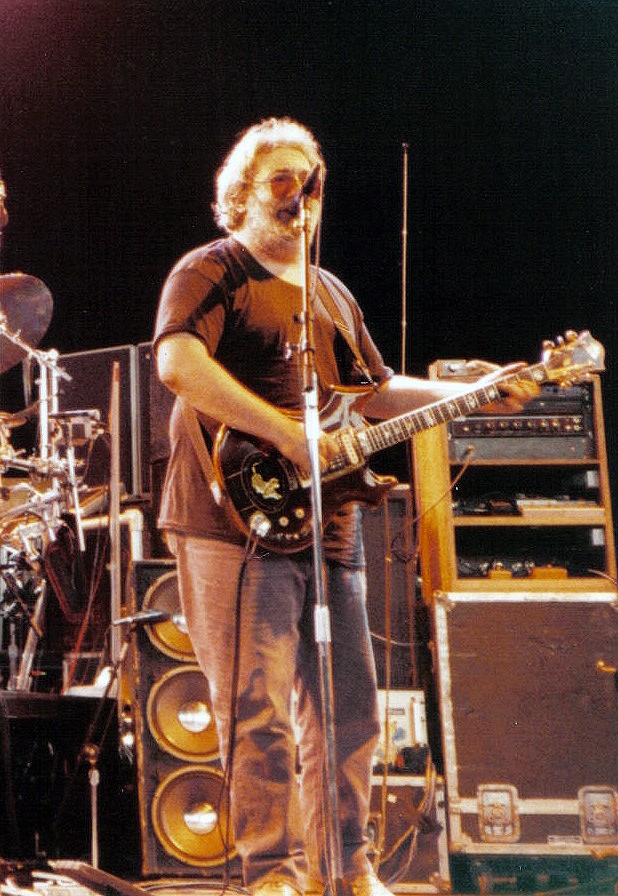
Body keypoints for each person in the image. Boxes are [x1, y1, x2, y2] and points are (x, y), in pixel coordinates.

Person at [151, 118, 537, 896]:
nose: (299, 195)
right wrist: (286, 436)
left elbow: (373, 393)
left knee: (348, 709)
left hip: (327, 523)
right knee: (255, 710)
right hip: (230, 519)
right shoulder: (211, 270)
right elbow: (176, 364)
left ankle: (345, 867)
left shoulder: (328, 292)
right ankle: (270, 872)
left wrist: (475, 392)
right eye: (281, 180)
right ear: (241, 193)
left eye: (310, 182)